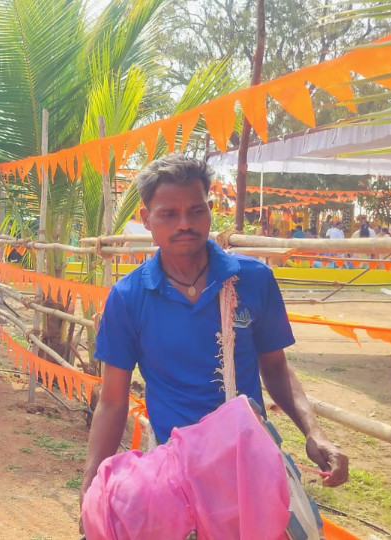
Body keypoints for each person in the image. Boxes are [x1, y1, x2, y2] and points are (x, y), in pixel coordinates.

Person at [80, 154, 348, 512]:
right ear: (146, 219)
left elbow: (276, 368)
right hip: (172, 470)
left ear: (210, 209)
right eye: (168, 214)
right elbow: (113, 401)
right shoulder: (129, 297)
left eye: (196, 210)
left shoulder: (253, 280)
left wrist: (314, 432)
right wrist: (91, 483)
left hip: (249, 463)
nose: (184, 224)